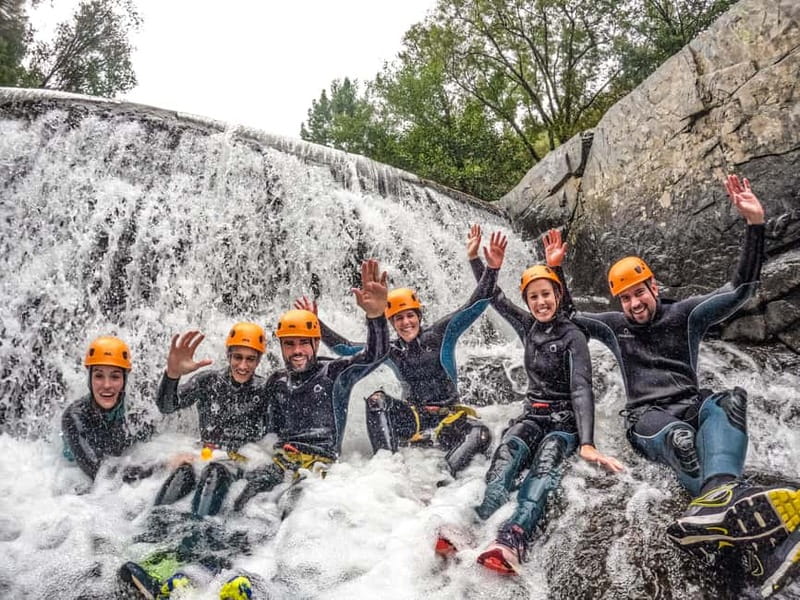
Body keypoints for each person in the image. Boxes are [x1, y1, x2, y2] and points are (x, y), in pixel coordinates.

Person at [568, 175, 799, 597]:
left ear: (654, 287)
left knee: (729, 401)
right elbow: (565, 317)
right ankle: (733, 512)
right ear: (617, 302)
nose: (634, 304)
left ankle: (720, 500)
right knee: (682, 440)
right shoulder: (613, 327)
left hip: (691, 404)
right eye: (625, 299)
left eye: (640, 293)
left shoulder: (686, 315)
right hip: (647, 421)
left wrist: (755, 225)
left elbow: (740, 290)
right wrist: (551, 268)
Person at [459, 226, 623, 574]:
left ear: (557, 295)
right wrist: (482, 262)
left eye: (546, 294)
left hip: (564, 423)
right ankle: (476, 525)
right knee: (507, 456)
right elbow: (493, 297)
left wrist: (588, 442)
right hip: (532, 415)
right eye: (533, 297)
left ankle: (515, 534)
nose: (540, 302)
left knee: (545, 464)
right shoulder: (527, 326)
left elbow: (581, 388)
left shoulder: (574, 335)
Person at [297, 231, 507, 478]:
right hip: (414, 419)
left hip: (450, 417)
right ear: (392, 323)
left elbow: (477, 304)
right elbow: (345, 349)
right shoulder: (390, 349)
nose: (406, 322)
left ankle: (445, 475)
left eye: (410, 316)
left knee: (480, 434)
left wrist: (490, 268)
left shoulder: (441, 334)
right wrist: (316, 325)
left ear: (419, 317)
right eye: (399, 318)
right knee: (376, 399)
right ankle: (387, 469)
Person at [232, 258, 390, 508]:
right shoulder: (277, 381)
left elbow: (375, 355)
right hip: (282, 459)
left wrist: (376, 316)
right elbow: (261, 428)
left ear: (316, 344)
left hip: (320, 468)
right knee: (242, 501)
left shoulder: (335, 374)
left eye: (304, 343)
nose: (297, 350)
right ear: (281, 347)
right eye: (290, 343)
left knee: (292, 505)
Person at [152, 322, 270, 518]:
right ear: (228, 355)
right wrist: (172, 375)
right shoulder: (209, 381)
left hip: (241, 460)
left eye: (250, 359)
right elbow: (167, 407)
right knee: (182, 473)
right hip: (205, 454)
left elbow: (274, 439)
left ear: (258, 361)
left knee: (216, 472)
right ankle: (150, 530)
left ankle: (198, 534)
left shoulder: (265, 390)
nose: (243, 365)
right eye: (238, 357)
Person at [61, 336, 152, 480]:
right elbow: (98, 472)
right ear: (90, 378)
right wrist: (160, 467)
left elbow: (156, 445)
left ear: (124, 379)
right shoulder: (74, 416)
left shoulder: (136, 415)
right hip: (77, 482)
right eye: (99, 376)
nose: (107, 385)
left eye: (115, 377)